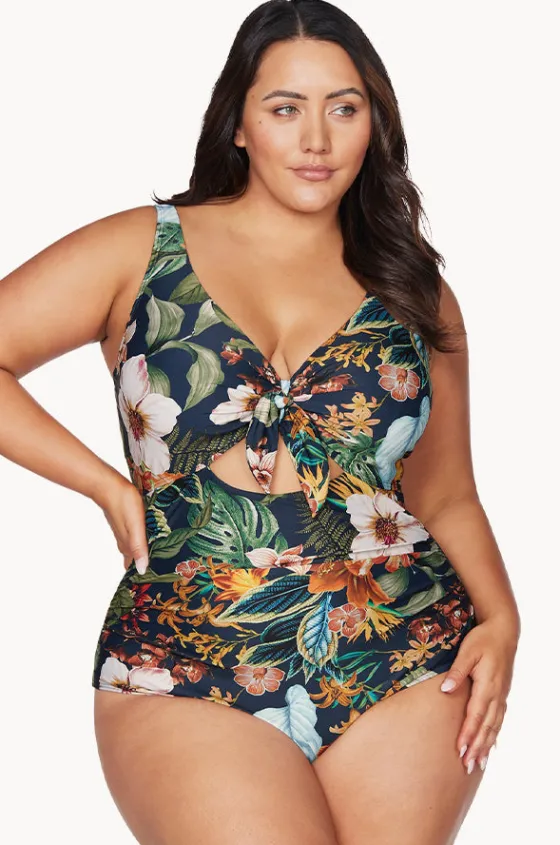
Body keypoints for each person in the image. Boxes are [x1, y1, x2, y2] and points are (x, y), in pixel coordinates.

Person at [0, 1, 521, 843]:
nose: (316, 139)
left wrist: (504, 620)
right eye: (286, 108)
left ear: (374, 123)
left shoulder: (413, 288)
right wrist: (104, 485)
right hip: (184, 650)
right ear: (238, 123)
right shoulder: (140, 250)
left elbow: (449, 494)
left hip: (402, 645)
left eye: (343, 108)